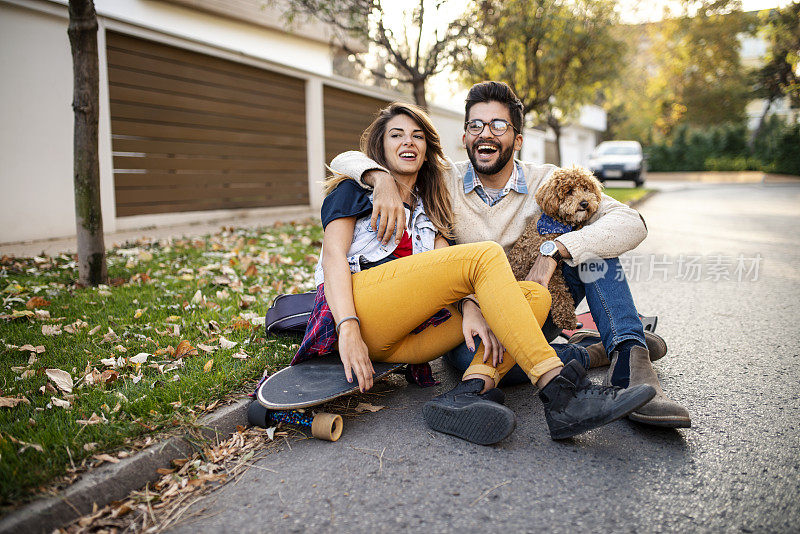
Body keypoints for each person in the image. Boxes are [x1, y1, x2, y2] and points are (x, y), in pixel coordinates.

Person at [329, 82, 691, 428]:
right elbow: (347, 157)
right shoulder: (441, 180)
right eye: (476, 125)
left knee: (595, 250)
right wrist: (380, 178)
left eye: (498, 125)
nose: (486, 133)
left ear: (517, 139)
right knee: (472, 355)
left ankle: (630, 359)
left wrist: (555, 249)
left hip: (538, 298)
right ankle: (588, 354)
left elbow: (631, 221)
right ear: (465, 136)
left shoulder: (547, 180)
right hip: (477, 319)